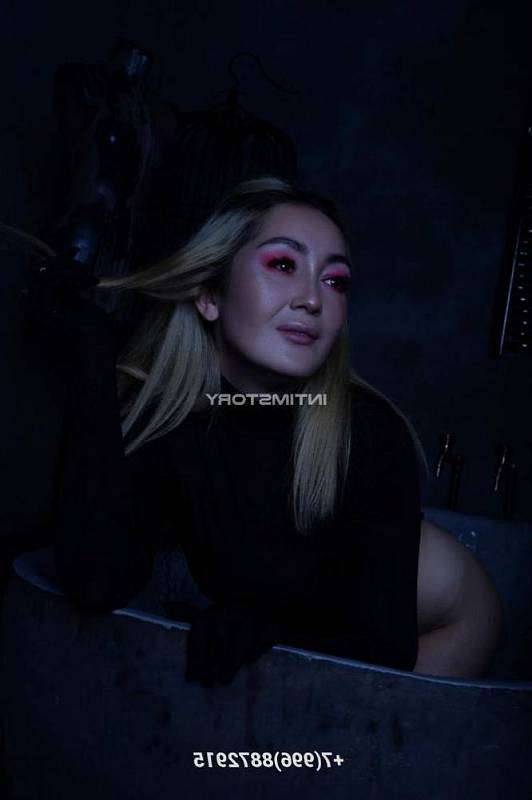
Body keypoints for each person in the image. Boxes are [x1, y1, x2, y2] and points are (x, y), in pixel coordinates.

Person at [28, 176, 501, 685]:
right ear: (210, 294)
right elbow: (97, 581)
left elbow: (382, 644)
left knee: (337, 729)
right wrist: (94, 362)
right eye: (283, 265)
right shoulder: (175, 422)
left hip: (443, 625)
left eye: (335, 281)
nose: (313, 300)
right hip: (344, 624)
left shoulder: (368, 430)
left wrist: (270, 627)